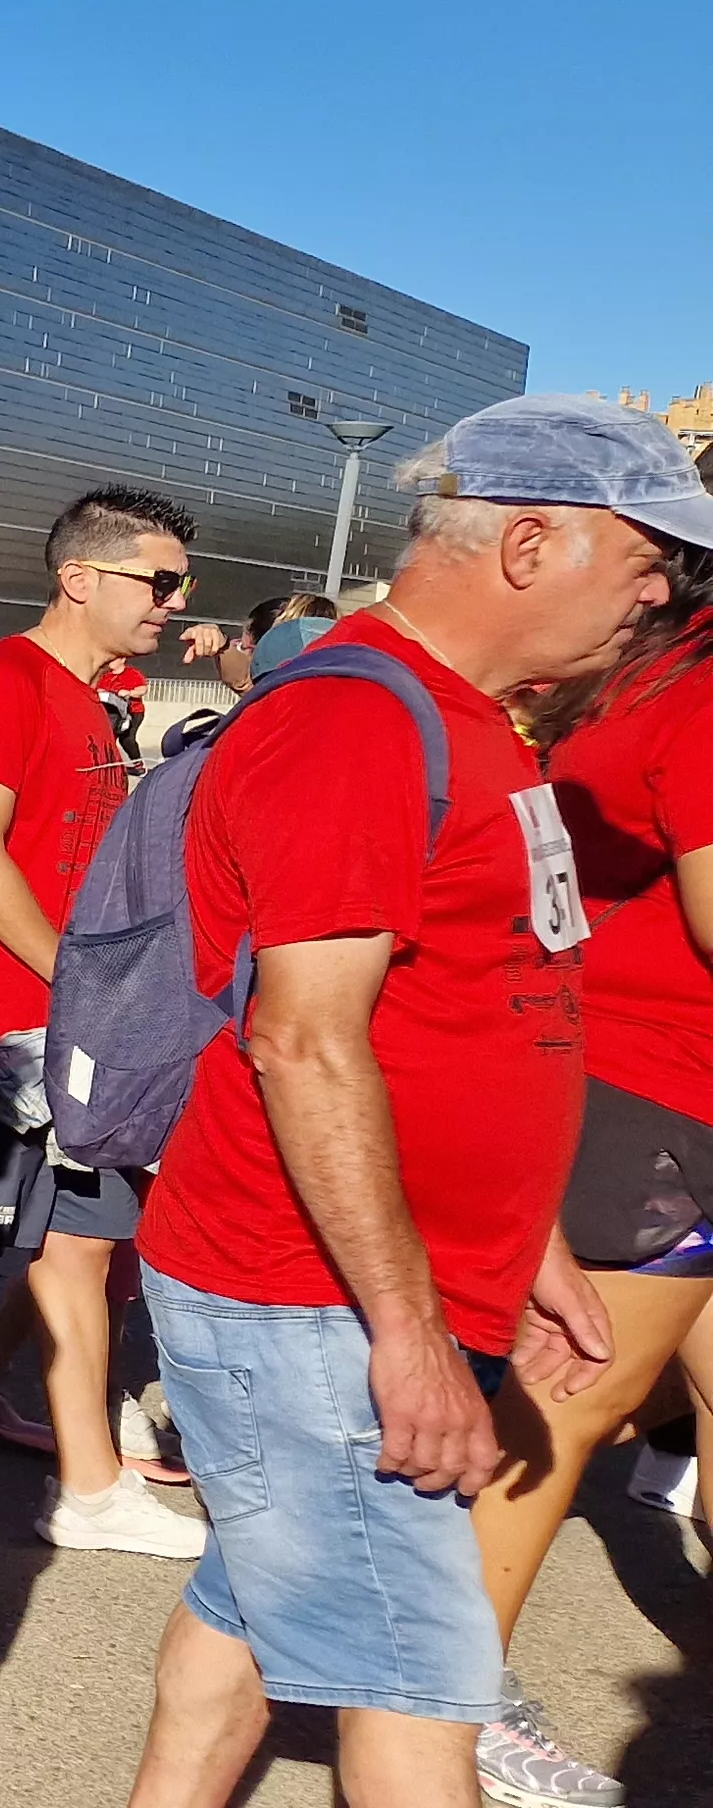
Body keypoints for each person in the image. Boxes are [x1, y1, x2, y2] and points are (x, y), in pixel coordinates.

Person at [125, 394, 697, 1808]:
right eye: (647, 561)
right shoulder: (356, 722)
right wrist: (407, 1332)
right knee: (421, 1693)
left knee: (247, 1615)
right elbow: (304, 1043)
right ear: (529, 545)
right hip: (305, 1291)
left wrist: (527, 1240)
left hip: (386, 1279)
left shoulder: (481, 725)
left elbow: (484, 1014)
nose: (659, 597)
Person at [0, 488, 205, 1559]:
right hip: (13, 1023)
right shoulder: (7, 680)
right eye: (160, 581)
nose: (176, 603)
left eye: (180, 584)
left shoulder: (84, 699)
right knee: (56, 1242)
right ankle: (87, 1487)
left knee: (48, 1238)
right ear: (78, 578)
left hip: (61, 1017)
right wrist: (75, 985)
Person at [479, 533, 713, 1808]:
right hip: (659, 1086)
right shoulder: (698, 684)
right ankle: (446, 1700)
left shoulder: (655, 666)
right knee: (565, 1404)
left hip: (629, 1072)